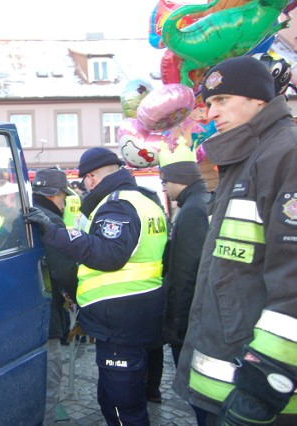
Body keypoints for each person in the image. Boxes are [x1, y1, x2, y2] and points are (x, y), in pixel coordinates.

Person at [172, 55, 297, 426]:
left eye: (222, 100)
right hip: (225, 383)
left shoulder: (285, 155)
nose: (210, 113)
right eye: (208, 103)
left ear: (259, 99)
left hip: (258, 392)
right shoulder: (247, 156)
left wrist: (265, 381)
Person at [25, 147, 168, 425]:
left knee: (120, 405)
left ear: (96, 176)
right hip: (137, 311)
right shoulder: (145, 200)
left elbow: (108, 254)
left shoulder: (117, 204)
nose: (86, 185)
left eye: (88, 178)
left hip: (120, 318)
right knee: (119, 398)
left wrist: (54, 233)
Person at [144, 154, 210, 404]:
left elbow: (185, 272)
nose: (164, 188)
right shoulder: (200, 202)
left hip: (190, 316)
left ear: (178, 180)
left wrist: (177, 322)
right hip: (199, 311)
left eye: (165, 182)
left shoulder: (192, 210)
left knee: (195, 388)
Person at [31, 168, 78, 425]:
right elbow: (65, 272)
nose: (63, 203)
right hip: (47, 320)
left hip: (20, 318)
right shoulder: (52, 222)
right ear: (55, 195)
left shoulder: (20, 216)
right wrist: (77, 299)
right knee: (49, 387)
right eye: (63, 197)